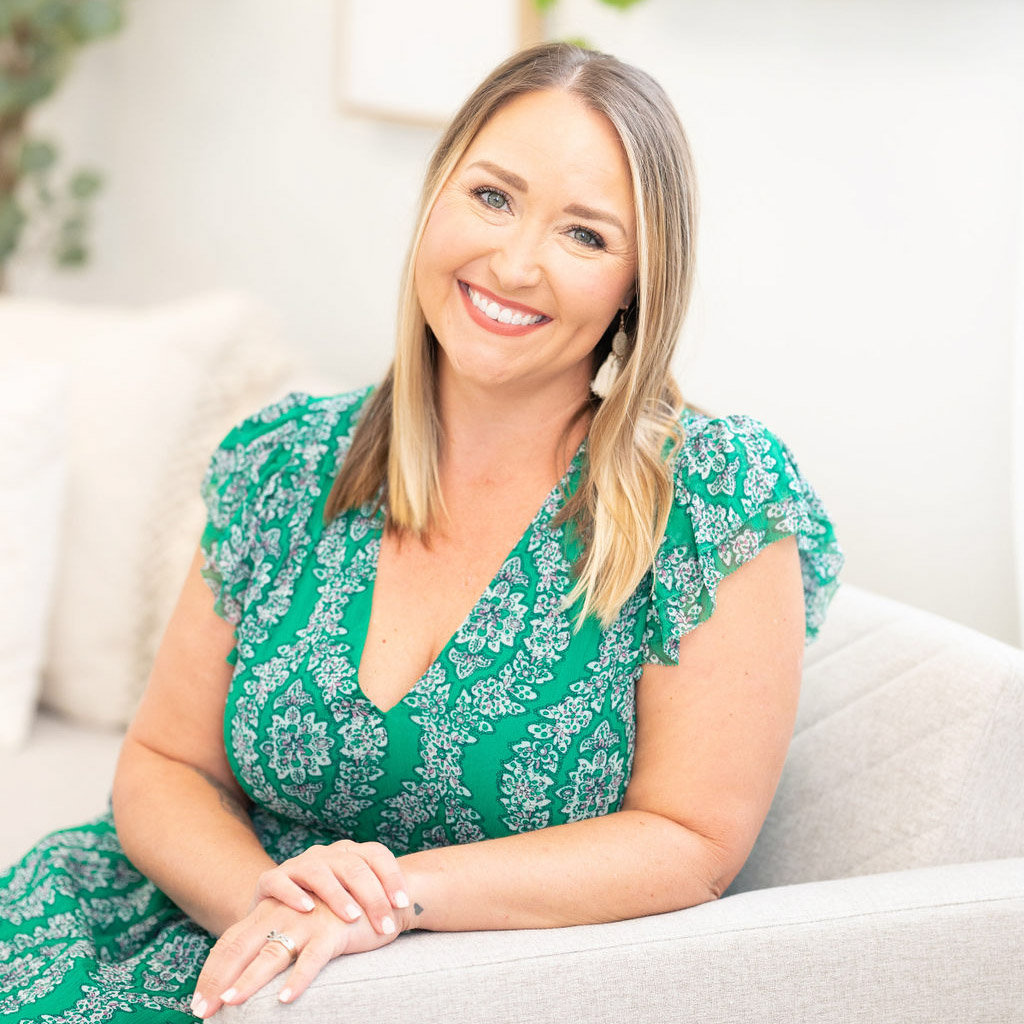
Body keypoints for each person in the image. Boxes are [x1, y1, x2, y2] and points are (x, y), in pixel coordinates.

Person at [0, 42, 843, 1021]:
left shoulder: (712, 500)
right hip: (183, 932)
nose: (517, 261)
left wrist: (387, 906)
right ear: (435, 199)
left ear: (638, 285)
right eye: (493, 197)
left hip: (441, 982)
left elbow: (690, 837)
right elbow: (162, 763)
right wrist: (273, 914)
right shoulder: (283, 461)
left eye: (584, 234)